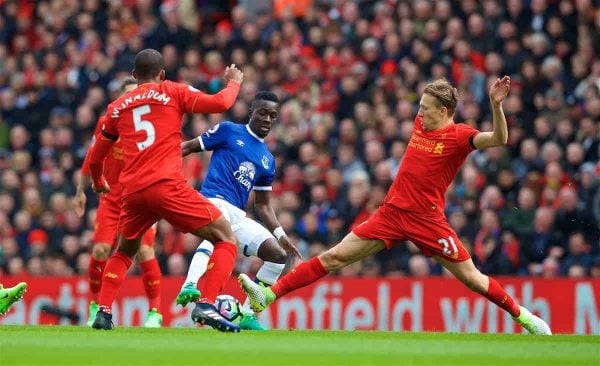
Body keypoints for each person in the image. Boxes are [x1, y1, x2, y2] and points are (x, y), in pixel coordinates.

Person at [240, 77, 552, 335]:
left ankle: (523, 317)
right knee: (334, 256)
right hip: (391, 213)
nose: (419, 114)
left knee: (472, 278)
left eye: (426, 109)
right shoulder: (421, 124)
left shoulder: (460, 136)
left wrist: (496, 105)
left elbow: (499, 138)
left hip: (427, 220)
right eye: (419, 107)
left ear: (443, 111)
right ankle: (265, 296)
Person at [87, 49, 243, 332]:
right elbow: (222, 101)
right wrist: (234, 81)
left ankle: (103, 312)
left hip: (132, 193)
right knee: (225, 237)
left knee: (124, 251)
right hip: (167, 186)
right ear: (162, 74)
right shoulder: (172, 91)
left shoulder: (117, 106)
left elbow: (95, 158)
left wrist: (98, 182)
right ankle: (207, 304)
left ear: (134, 76)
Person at [175, 91, 302, 330]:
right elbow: (189, 147)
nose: (267, 119)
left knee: (277, 256)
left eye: (272, 115)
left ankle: (247, 314)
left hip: (238, 214)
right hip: (212, 201)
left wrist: (282, 237)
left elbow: (262, 206)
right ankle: (190, 284)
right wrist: (156, 160)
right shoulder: (229, 131)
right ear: (251, 111)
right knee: (216, 237)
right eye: (262, 112)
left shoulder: (267, 159)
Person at [74, 77, 163, 328]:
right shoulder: (108, 123)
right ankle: (94, 306)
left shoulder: (152, 125)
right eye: (129, 95)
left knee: (145, 252)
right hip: (112, 200)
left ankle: (155, 312)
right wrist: (80, 190)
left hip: (141, 200)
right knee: (101, 250)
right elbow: (93, 158)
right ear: (121, 99)